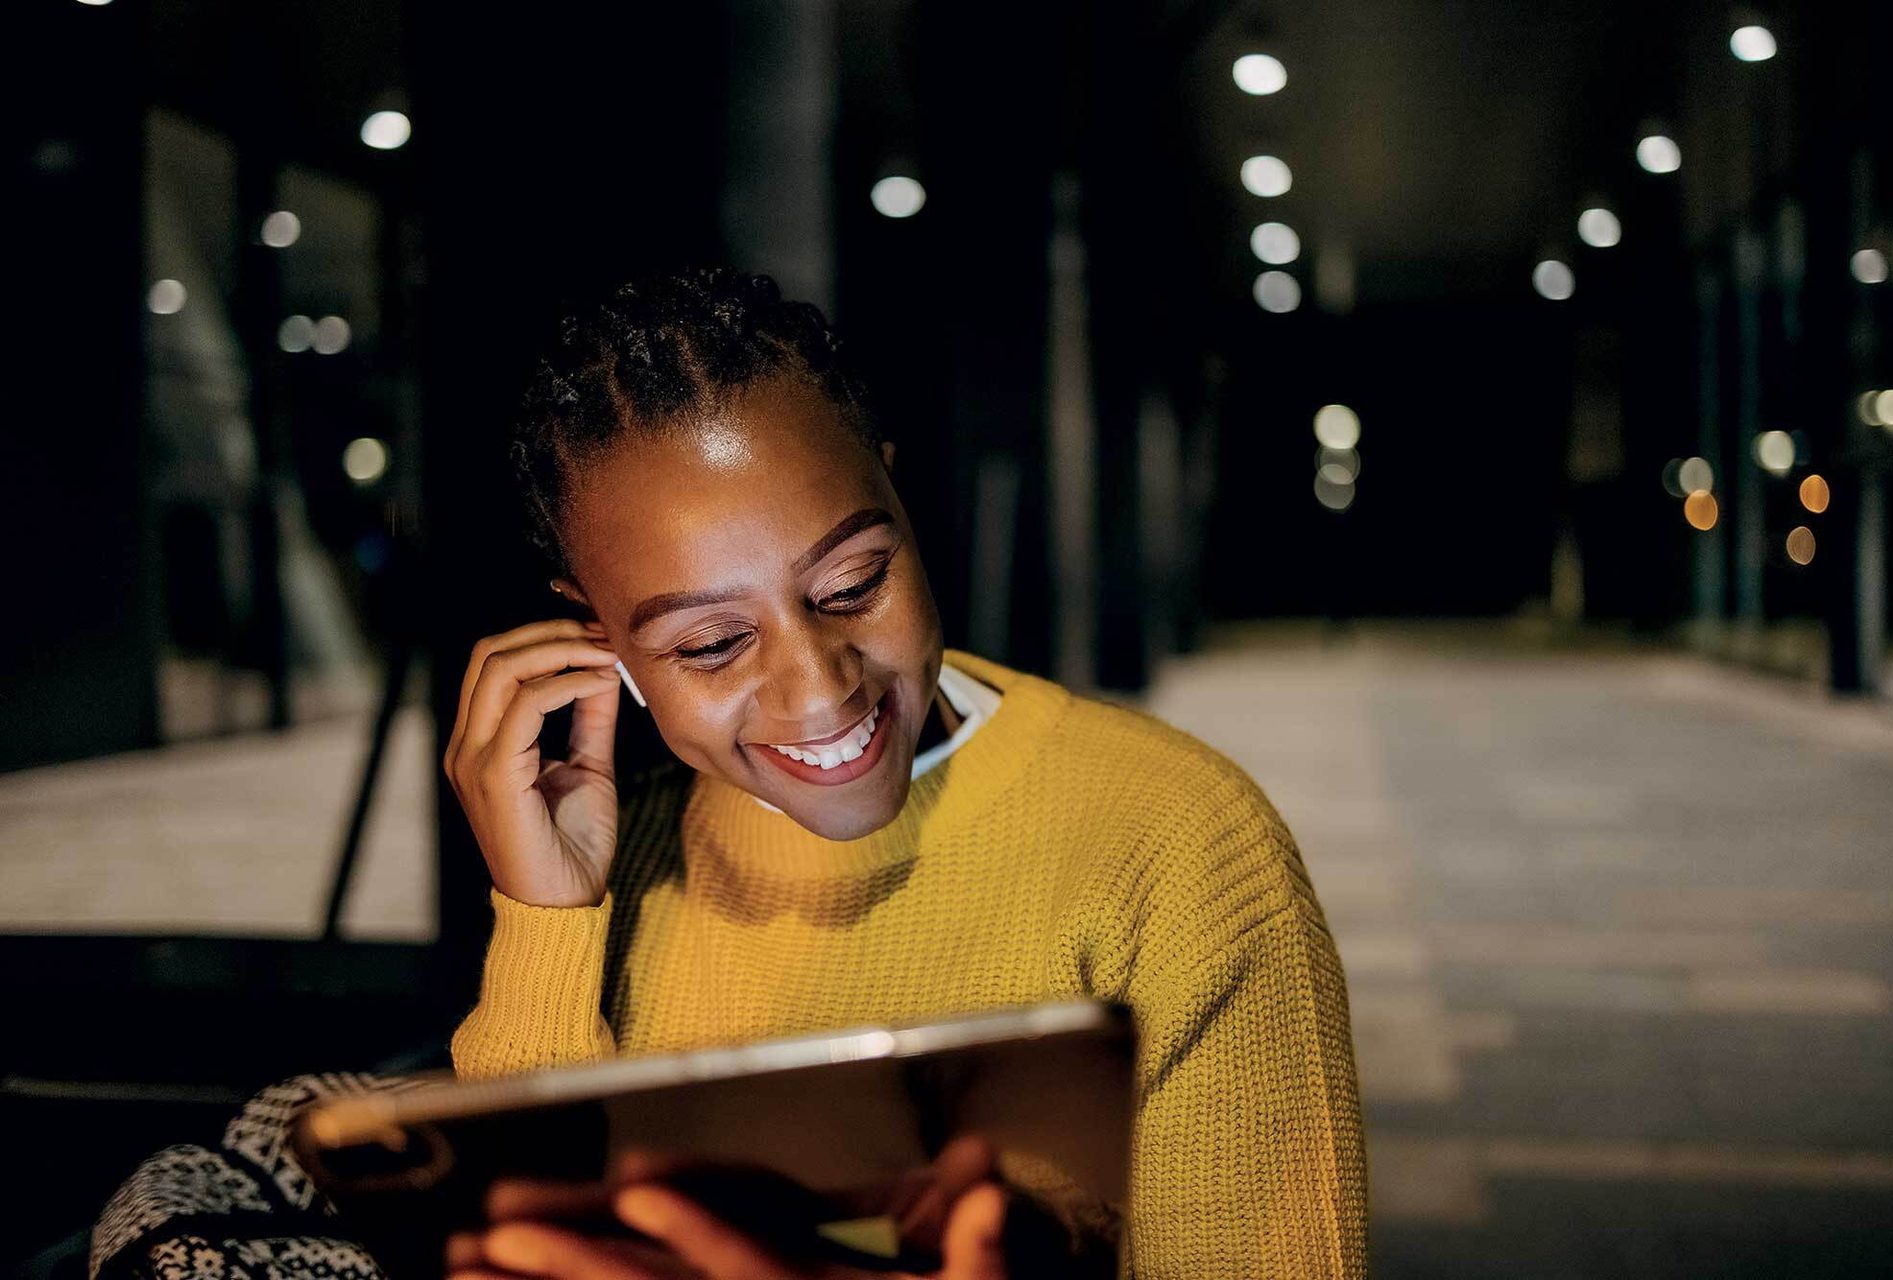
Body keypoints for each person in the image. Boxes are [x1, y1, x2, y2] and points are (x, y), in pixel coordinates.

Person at [437, 267, 1368, 1279]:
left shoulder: (1177, 842)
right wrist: (545, 923)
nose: (818, 689)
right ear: (601, 635)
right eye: (710, 643)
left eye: (853, 582)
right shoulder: (621, 866)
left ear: (896, 495)